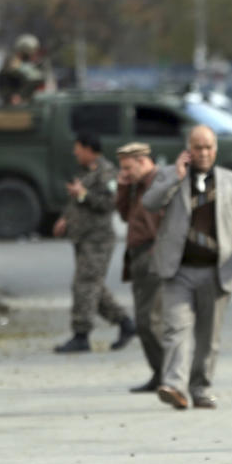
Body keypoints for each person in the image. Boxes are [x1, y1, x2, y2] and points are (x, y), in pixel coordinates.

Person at [142, 125, 232, 410]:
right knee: (175, 330)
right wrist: (175, 179)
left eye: (208, 147)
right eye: (197, 147)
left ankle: (200, 388)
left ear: (215, 150)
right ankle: (174, 386)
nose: (203, 153)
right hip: (178, 271)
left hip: (217, 271)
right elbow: (150, 204)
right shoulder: (168, 175)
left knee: (207, 337)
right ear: (187, 149)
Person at [52, 132, 136, 354]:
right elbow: (76, 201)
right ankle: (126, 324)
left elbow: (109, 203)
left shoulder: (106, 172)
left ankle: (81, 335)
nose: (75, 153)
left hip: (98, 239)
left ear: (90, 149)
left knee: (84, 285)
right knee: (92, 286)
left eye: (78, 149)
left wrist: (84, 194)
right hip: (82, 237)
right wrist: (65, 218)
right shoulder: (85, 172)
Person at [115, 143, 164, 392]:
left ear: (143, 161)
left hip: (152, 256)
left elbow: (172, 219)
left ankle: (171, 375)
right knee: (144, 321)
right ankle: (160, 374)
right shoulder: (136, 186)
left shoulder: (159, 183)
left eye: (128, 168)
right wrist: (124, 186)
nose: (125, 173)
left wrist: (161, 251)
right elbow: (124, 215)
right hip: (137, 257)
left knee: (150, 321)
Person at [0, 34, 47, 106]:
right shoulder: (11, 65)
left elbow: (37, 80)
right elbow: (2, 82)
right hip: (13, 104)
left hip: (31, 103)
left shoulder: (37, 67)